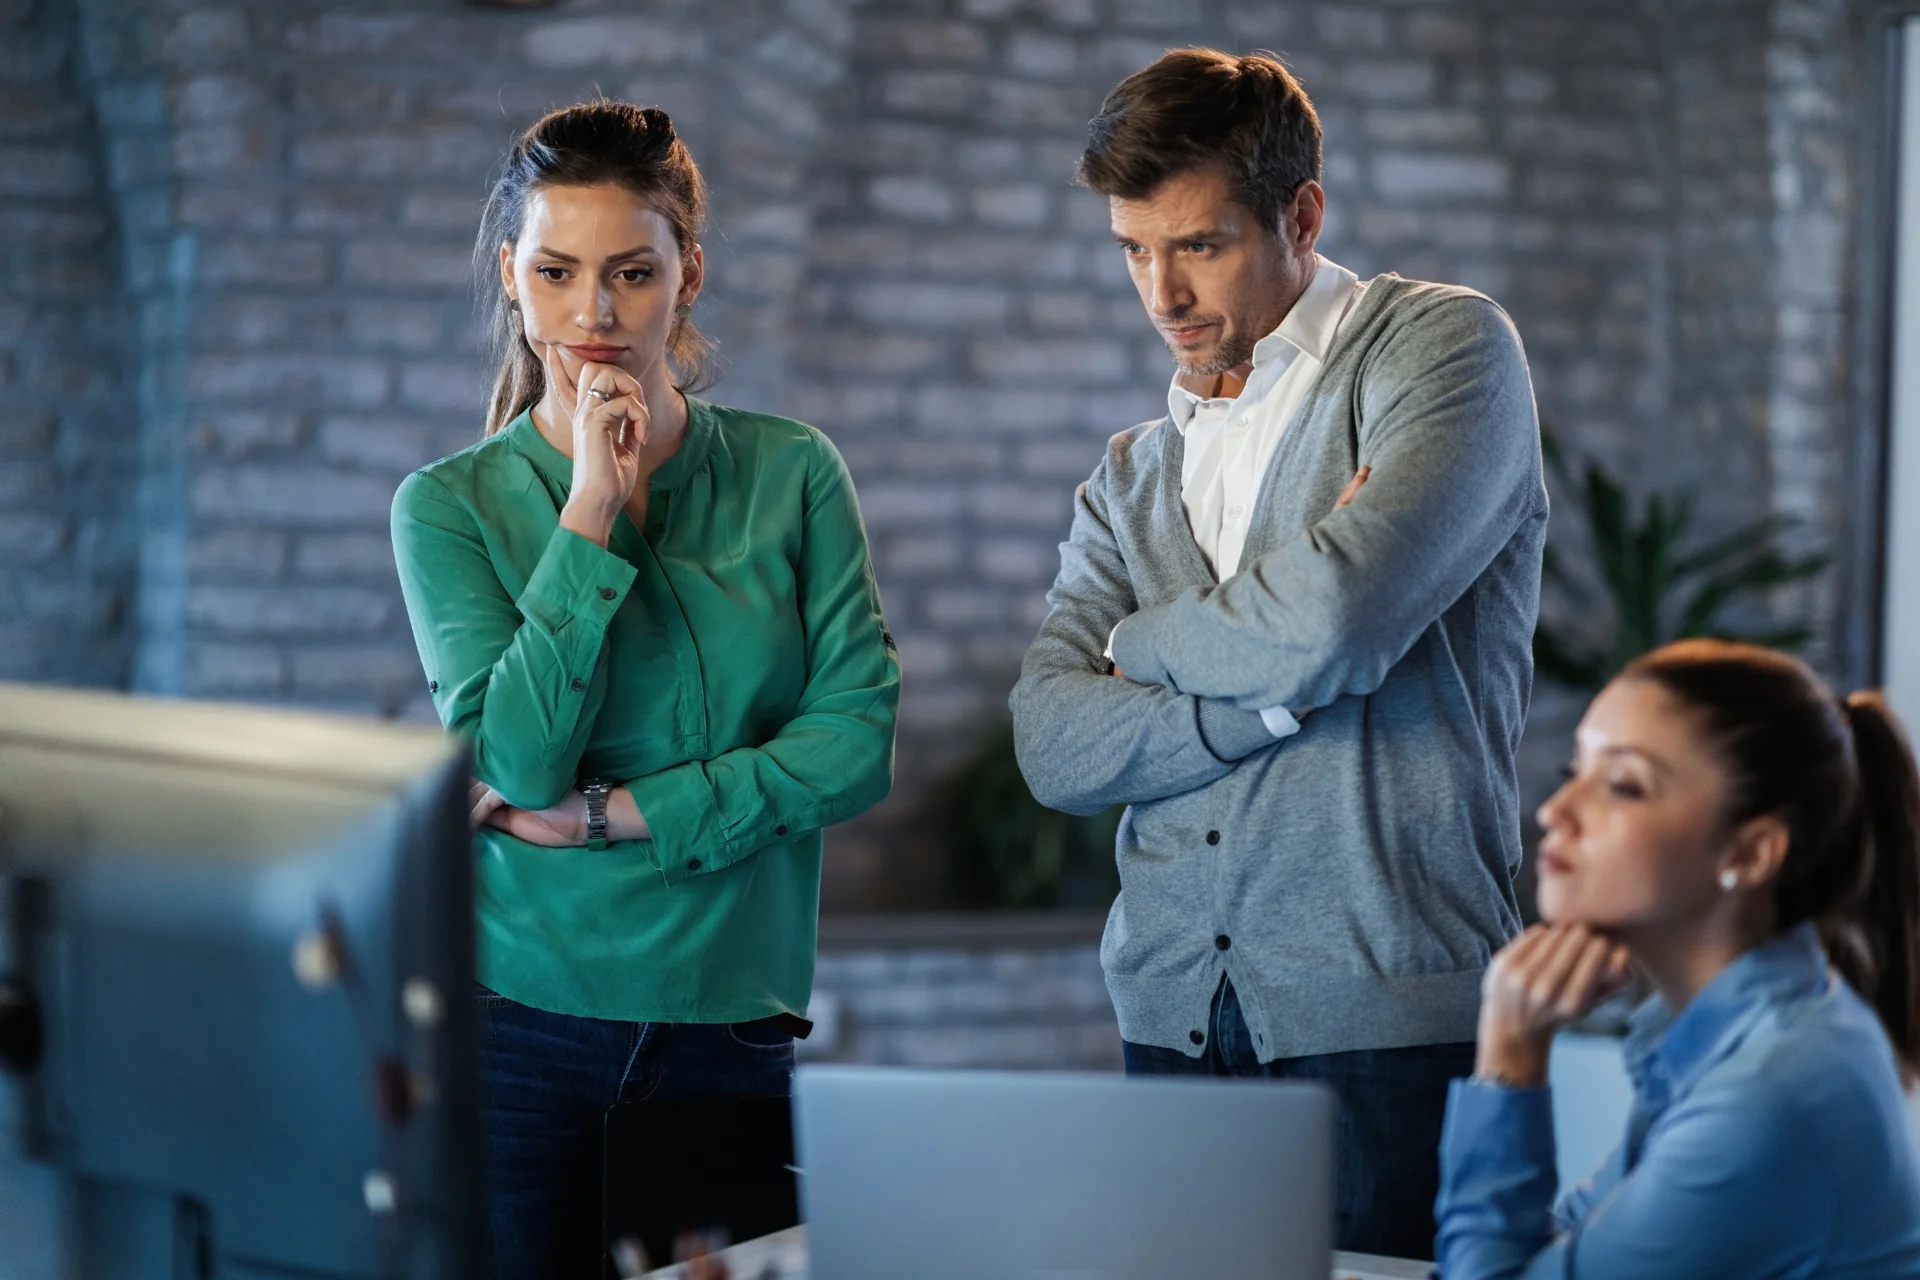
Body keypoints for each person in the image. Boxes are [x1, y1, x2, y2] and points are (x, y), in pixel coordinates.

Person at [1009, 48, 1544, 1257]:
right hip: (1172, 1012)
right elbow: (1050, 739)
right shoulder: (1134, 466)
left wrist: (1137, 644)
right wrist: (1273, 695)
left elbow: (1337, 621)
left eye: (1198, 244)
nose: (1161, 291)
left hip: (1387, 1012)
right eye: (1133, 249)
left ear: (1301, 215)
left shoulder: (1440, 354)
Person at [390, 101, 899, 1279]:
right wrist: (590, 512)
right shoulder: (447, 504)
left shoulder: (793, 470)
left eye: (632, 271)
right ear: (513, 279)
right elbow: (514, 762)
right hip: (515, 1019)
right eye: (558, 273)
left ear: (689, 274)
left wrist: (617, 813)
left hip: (729, 1018)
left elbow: (857, 741)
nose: (596, 315)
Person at [1438, 639, 1920, 1276]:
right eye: (1572, 774)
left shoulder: (1767, 1096)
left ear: (1749, 854)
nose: (1555, 812)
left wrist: (1511, 1054)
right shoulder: (1732, 1035)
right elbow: (1572, 1248)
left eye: (1623, 785)